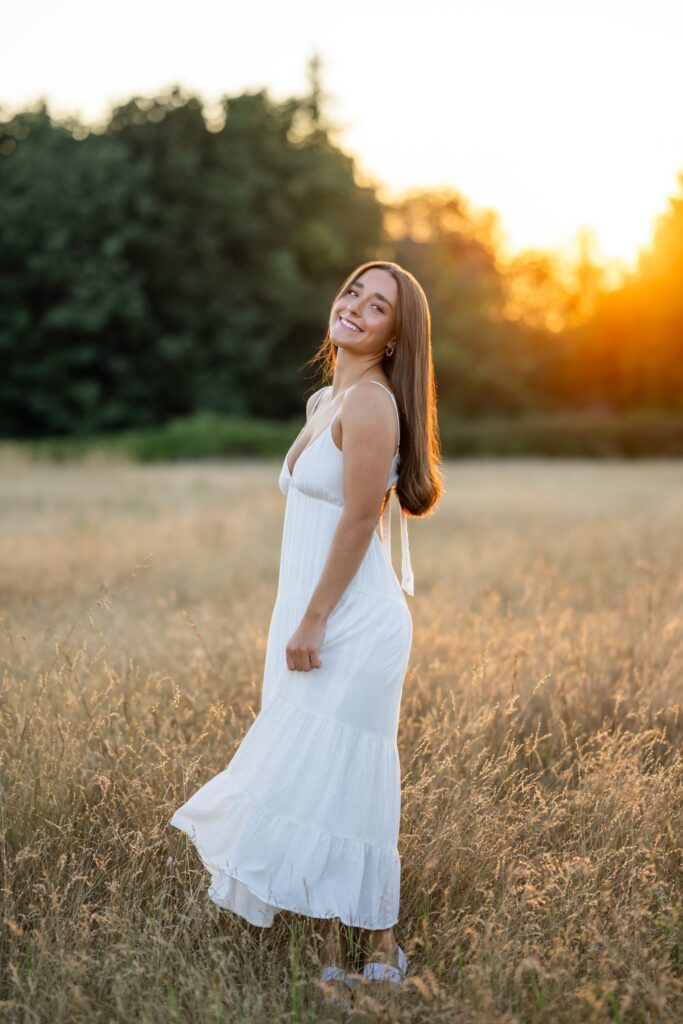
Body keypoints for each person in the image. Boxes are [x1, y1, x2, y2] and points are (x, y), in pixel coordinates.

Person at [170, 260, 442, 1008]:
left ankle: (381, 955)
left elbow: (359, 519)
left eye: (377, 305)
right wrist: (300, 613)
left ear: (394, 335)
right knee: (313, 778)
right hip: (312, 608)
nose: (355, 306)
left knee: (345, 780)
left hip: (351, 620)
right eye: (353, 290)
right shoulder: (326, 397)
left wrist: (315, 615)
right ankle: (329, 949)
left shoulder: (374, 403)